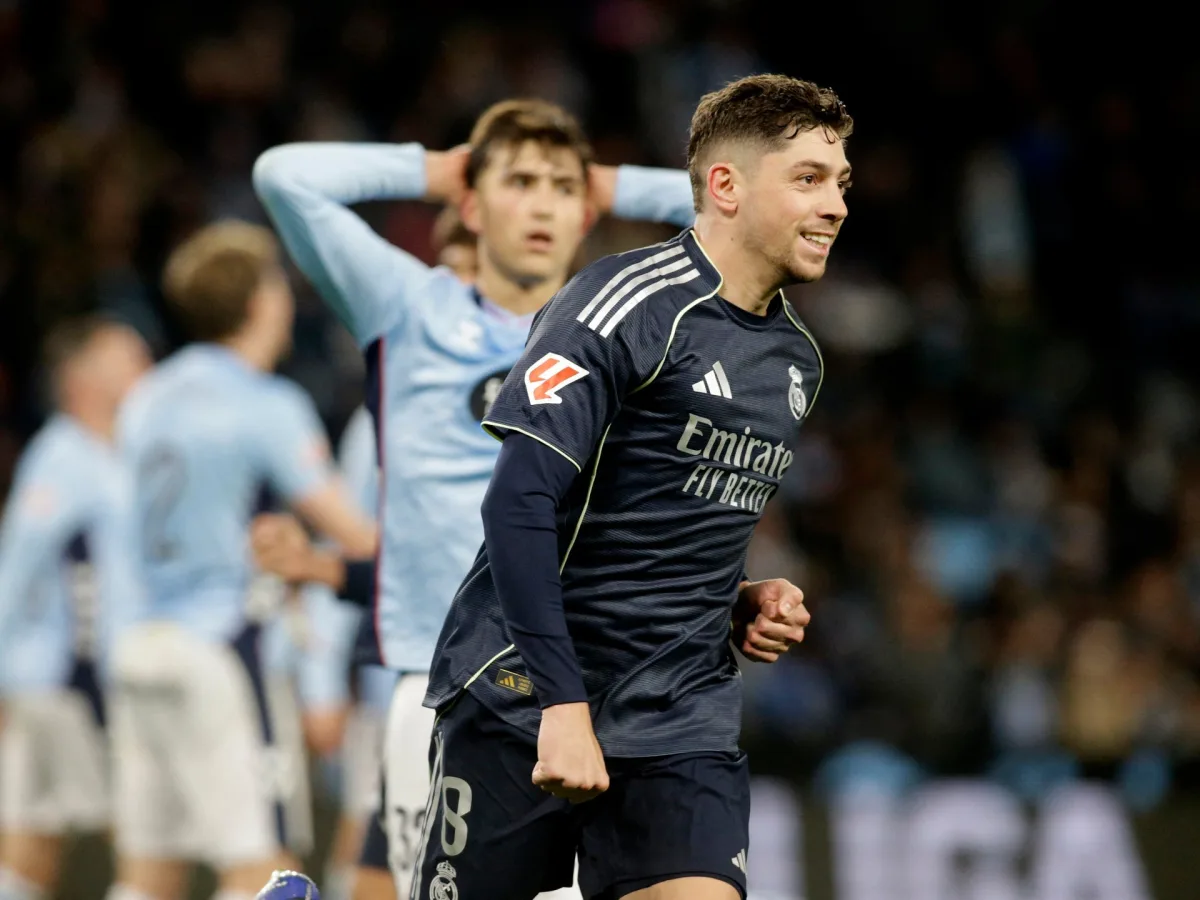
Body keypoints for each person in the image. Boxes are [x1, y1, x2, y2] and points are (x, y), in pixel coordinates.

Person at [415, 73, 851, 900]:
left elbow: (658, 517)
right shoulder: (622, 304)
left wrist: (736, 598)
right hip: (522, 696)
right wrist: (561, 705)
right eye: (808, 179)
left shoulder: (798, 359)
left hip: (679, 715)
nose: (835, 206)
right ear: (725, 186)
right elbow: (517, 505)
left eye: (840, 183)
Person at [249, 98, 697, 900]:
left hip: (586, 694)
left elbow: (745, 213)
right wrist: (437, 168)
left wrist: (612, 185)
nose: (542, 204)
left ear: (585, 211)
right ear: (470, 205)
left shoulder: (627, 331)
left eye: (561, 187)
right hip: (441, 690)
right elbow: (284, 177)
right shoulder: (406, 309)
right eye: (518, 182)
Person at [105, 221, 378, 900]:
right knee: (267, 870)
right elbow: (354, 534)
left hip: (140, 643)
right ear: (259, 301)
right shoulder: (266, 403)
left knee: (149, 873)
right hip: (225, 647)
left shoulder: (147, 395)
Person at [0, 317, 150, 900]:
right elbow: (16, 570)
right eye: (127, 357)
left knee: (42, 840)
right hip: (63, 683)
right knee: (129, 838)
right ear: (82, 378)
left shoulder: (121, 453)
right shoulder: (61, 457)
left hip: (103, 680)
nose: (145, 367)